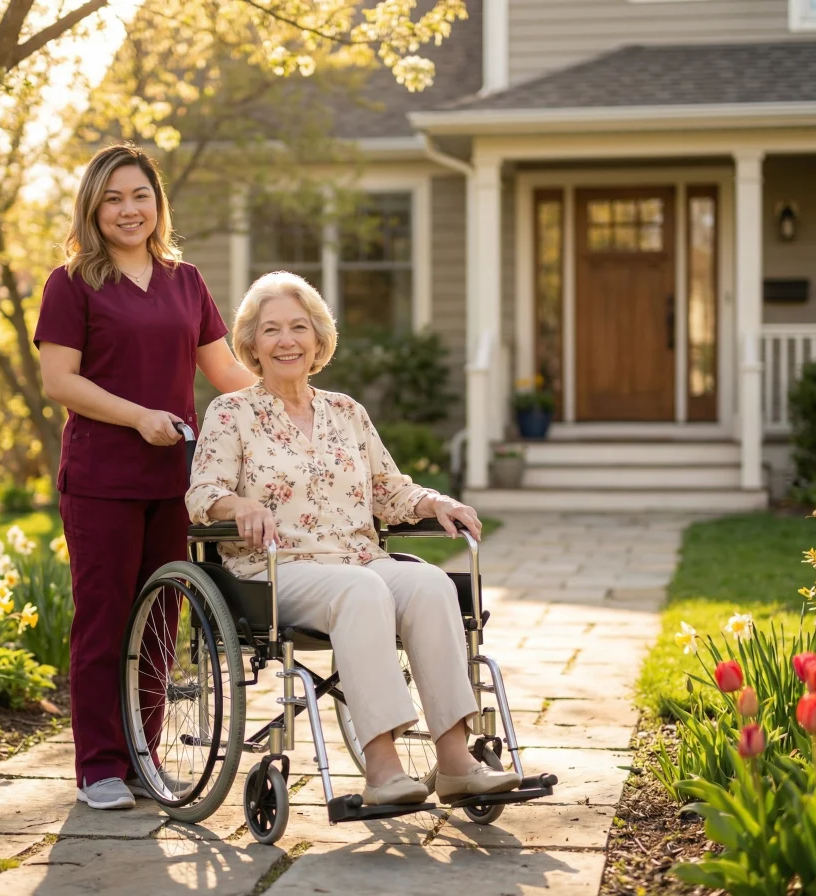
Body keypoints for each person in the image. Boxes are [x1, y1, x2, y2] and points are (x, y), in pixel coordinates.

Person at [184, 271, 522, 806]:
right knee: (361, 591)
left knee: (430, 584)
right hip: (275, 570)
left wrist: (437, 502)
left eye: (299, 327)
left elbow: (390, 490)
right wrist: (239, 504)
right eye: (271, 330)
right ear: (251, 343)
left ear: (319, 338)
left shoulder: (347, 412)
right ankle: (383, 770)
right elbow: (202, 493)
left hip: (359, 558)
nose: (286, 340)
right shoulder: (233, 413)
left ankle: (456, 762)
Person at [36, 143, 258, 810]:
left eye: (140, 195)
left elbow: (225, 375)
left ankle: (142, 754)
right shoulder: (70, 283)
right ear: (93, 208)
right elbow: (59, 382)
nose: (129, 210)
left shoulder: (185, 281)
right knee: (104, 620)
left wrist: (300, 406)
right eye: (113, 198)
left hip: (177, 479)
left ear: (157, 203)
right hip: (102, 480)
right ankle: (98, 768)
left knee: (162, 619)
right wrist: (138, 417)